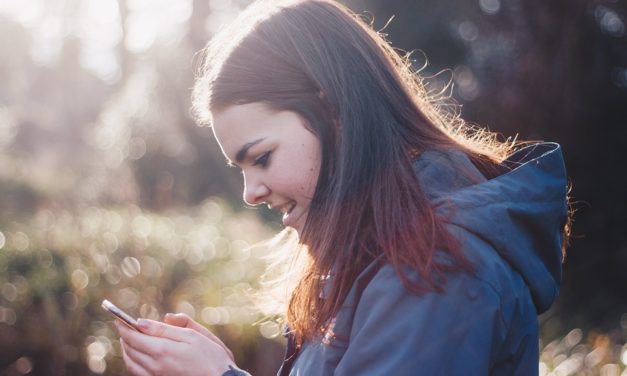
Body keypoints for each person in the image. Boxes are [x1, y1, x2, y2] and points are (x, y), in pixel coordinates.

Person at [114, 0, 571, 375]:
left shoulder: (437, 268)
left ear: (334, 114)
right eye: (241, 168)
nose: (251, 192)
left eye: (262, 157)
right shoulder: (382, 253)